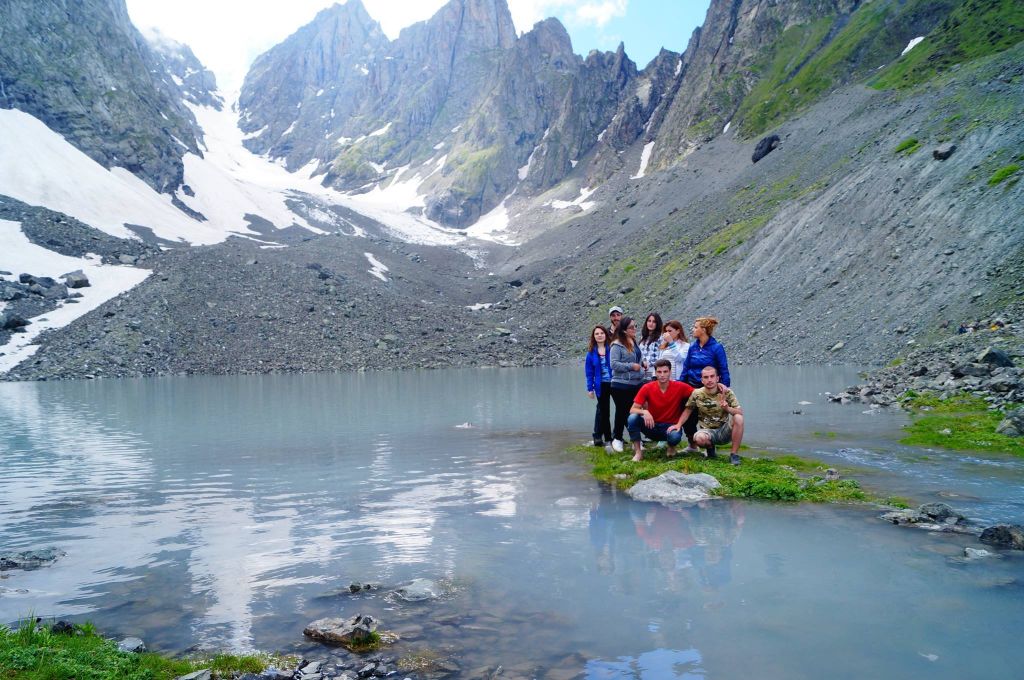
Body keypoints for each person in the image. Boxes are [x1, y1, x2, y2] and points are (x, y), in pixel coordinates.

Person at [670, 365, 744, 465]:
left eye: (712, 376)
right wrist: (678, 425)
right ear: (702, 380)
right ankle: (710, 450)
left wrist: (727, 408)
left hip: (724, 430)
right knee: (698, 438)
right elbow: (688, 410)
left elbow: (740, 412)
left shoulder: (726, 392)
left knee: (738, 418)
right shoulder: (697, 393)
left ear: (717, 378)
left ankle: (734, 455)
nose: (709, 380)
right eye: (706, 377)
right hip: (707, 432)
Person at [678, 316, 730, 452]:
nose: (693, 330)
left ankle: (709, 446)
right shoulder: (692, 347)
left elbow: (723, 369)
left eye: (696, 327)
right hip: (690, 386)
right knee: (689, 417)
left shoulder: (717, 347)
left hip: (709, 388)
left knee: (708, 417)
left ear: (704, 330)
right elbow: (686, 367)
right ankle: (692, 445)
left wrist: (724, 388)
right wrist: (679, 385)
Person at [627, 359, 694, 461]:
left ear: (670, 372)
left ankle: (671, 447)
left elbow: (698, 393)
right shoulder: (647, 387)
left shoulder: (680, 386)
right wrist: (644, 411)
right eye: (659, 372)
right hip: (652, 425)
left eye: (665, 371)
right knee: (632, 418)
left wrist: (717, 385)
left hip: (670, 427)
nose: (662, 375)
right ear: (655, 373)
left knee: (675, 437)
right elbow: (632, 409)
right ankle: (638, 452)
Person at [608, 316, 644, 452]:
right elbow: (613, 364)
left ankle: (636, 439)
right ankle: (617, 438)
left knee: (634, 413)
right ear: (623, 330)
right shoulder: (616, 344)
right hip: (620, 385)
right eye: (631, 327)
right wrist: (631, 366)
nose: (635, 329)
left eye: (635, 326)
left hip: (636, 383)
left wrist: (642, 363)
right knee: (622, 412)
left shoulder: (634, 342)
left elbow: (637, 359)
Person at [585, 325, 613, 447]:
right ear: (594, 337)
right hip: (601, 385)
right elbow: (589, 372)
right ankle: (607, 438)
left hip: (615, 382)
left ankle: (619, 436)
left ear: (606, 335)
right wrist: (590, 389)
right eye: (597, 334)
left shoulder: (612, 349)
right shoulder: (591, 353)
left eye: (602, 333)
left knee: (622, 409)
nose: (600, 335)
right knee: (604, 412)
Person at [638, 313, 664, 382]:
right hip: (642, 373)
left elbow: (661, 356)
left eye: (654, 322)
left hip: (654, 373)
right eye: (649, 321)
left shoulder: (661, 338)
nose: (651, 323)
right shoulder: (643, 337)